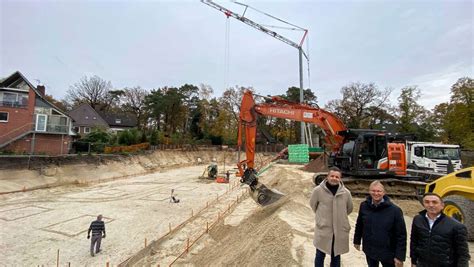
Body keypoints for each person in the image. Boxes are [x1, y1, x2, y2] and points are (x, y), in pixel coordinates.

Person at [353, 180, 406, 267]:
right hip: (370, 249)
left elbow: (401, 235)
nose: (376, 193)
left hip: (388, 252)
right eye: (373, 191)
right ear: (369, 191)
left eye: (379, 191)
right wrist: (357, 240)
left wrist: (400, 256)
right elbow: (359, 225)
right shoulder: (364, 206)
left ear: (384, 192)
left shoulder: (395, 210)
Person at [410, 193, 470, 267]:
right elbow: (414, 242)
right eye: (427, 202)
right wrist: (413, 261)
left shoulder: (456, 226)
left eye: (434, 202)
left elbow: (463, 254)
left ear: (442, 205)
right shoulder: (418, 219)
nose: (431, 205)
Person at [309, 166, 353, 267]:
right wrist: (322, 218)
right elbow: (313, 205)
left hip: (339, 231)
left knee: (336, 257)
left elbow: (349, 209)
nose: (334, 178)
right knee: (320, 255)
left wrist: (339, 216)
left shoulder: (346, 193)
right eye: (332, 176)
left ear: (340, 179)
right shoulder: (318, 191)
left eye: (337, 177)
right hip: (323, 230)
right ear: (327, 177)